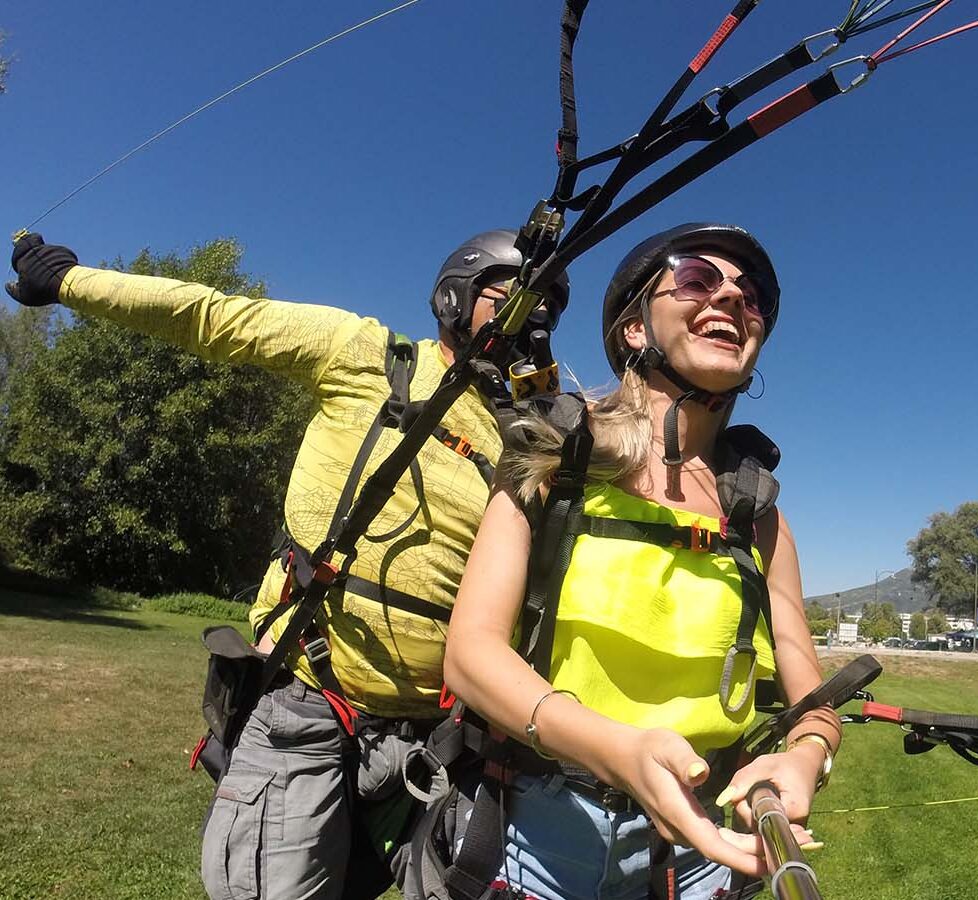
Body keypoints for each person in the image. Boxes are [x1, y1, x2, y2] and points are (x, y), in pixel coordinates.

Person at [8, 230, 568, 900]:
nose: (533, 323)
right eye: (514, 300)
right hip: (310, 703)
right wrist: (70, 281)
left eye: (548, 314)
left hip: (440, 741)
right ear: (457, 294)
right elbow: (214, 316)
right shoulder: (367, 355)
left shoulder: (529, 440)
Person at [442, 223, 839, 900]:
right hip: (536, 833)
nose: (732, 300)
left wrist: (806, 756)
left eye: (753, 297)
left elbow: (814, 700)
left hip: (698, 859)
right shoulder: (553, 457)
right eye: (696, 279)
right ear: (634, 330)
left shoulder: (759, 515)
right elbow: (470, 655)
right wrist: (617, 750)